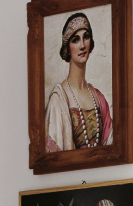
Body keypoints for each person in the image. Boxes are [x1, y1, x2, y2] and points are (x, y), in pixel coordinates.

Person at [44, 13, 113, 153]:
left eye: (86, 37)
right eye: (75, 40)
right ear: (67, 48)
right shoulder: (58, 99)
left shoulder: (99, 98)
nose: (82, 45)